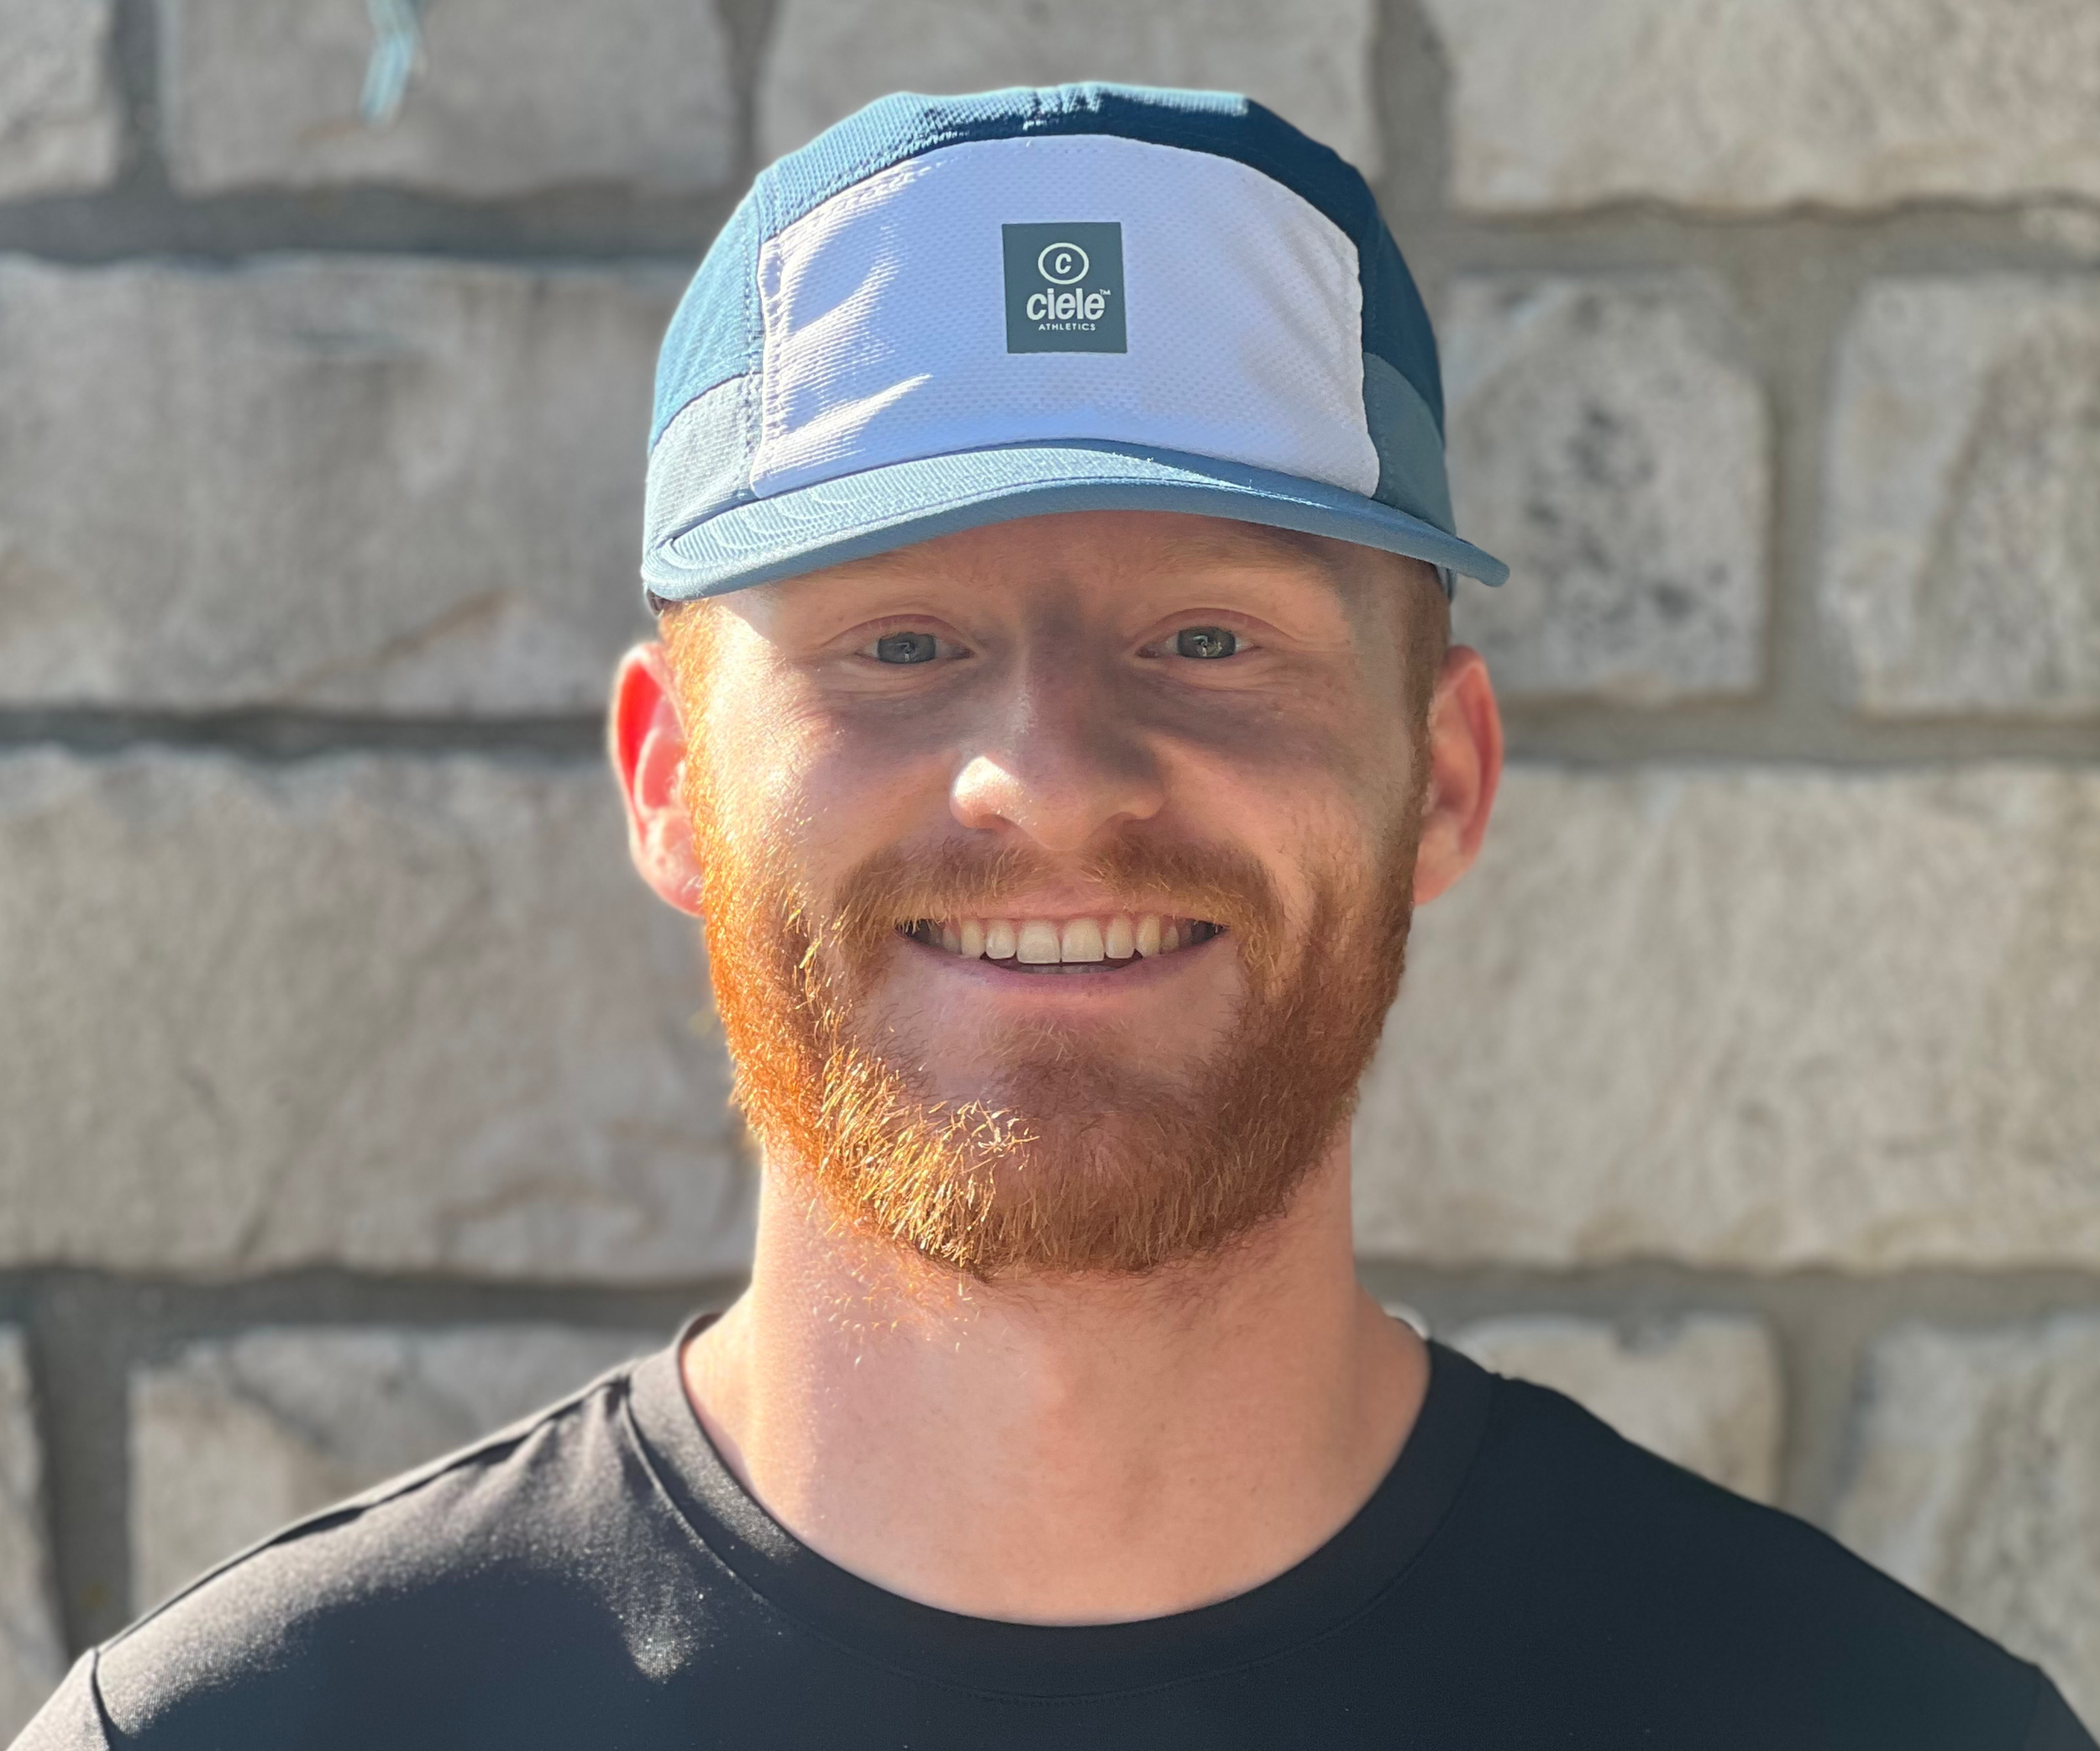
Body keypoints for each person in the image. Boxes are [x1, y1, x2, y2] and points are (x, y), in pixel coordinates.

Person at [17, 84, 2092, 1751]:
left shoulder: (1869, 1724)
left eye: (1207, 637)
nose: (1048, 776)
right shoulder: (245, 1733)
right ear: (668, 781)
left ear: (1439, 772)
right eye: (899, 642)